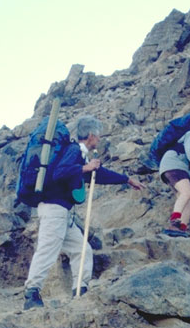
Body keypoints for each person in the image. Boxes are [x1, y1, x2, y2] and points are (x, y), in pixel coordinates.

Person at [23, 115, 145, 309]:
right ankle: (31, 293)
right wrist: (85, 167)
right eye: (98, 136)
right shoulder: (73, 150)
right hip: (54, 209)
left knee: (82, 249)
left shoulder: (79, 156)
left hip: (64, 213)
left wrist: (126, 179)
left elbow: (100, 174)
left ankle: (80, 290)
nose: (99, 140)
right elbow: (60, 173)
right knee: (47, 250)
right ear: (91, 136)